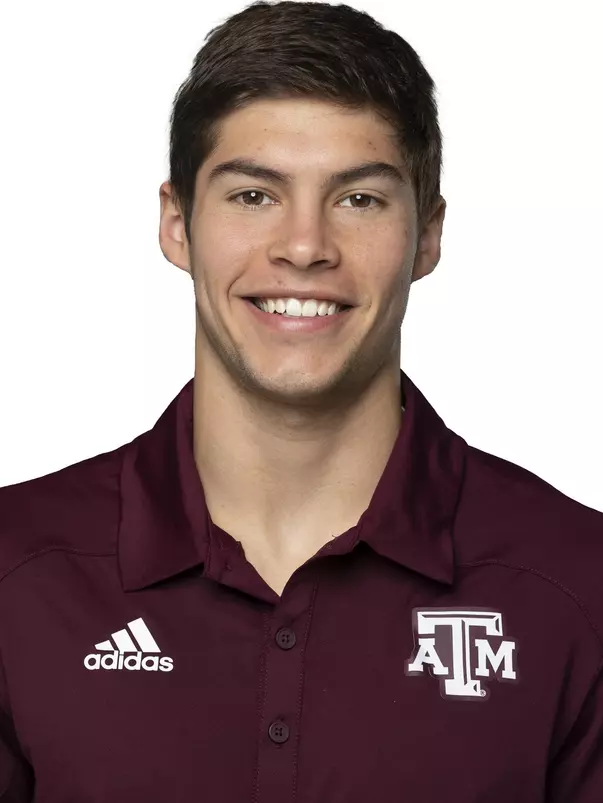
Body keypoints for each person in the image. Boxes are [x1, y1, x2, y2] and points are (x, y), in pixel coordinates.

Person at [1, 1, 602, 800]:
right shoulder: (17, 571)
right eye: (254, 195)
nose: (305, 245)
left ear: (427, 234)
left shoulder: (575, 581)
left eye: (359, 198)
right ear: (177, 224)